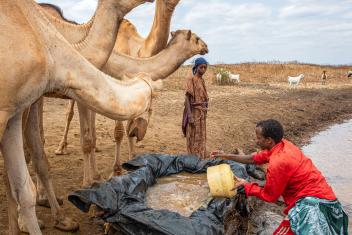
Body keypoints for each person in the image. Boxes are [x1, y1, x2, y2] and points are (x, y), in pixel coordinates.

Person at [211, 119, 348, 234]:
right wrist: (225, 155)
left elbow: (270, 196)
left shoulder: (278, 162)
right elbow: (253, 159)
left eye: (258, 138)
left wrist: (246, 186)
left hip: (311, 206)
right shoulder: (283, 145)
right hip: (325, 197)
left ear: (269, 140)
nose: (256, 141)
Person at [182, 57, 209, 159]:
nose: (203, 70)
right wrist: (190, 116)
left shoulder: (202, 80)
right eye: (201, 67)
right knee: (193, 136)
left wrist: (205, 110)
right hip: (194, 113)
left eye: (205, 67)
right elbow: (187, 99)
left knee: (201, 136)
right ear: (196, 67)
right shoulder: (191, 79)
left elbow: (205, 98)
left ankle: (200, 157)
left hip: (201, 114)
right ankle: (192, 159)